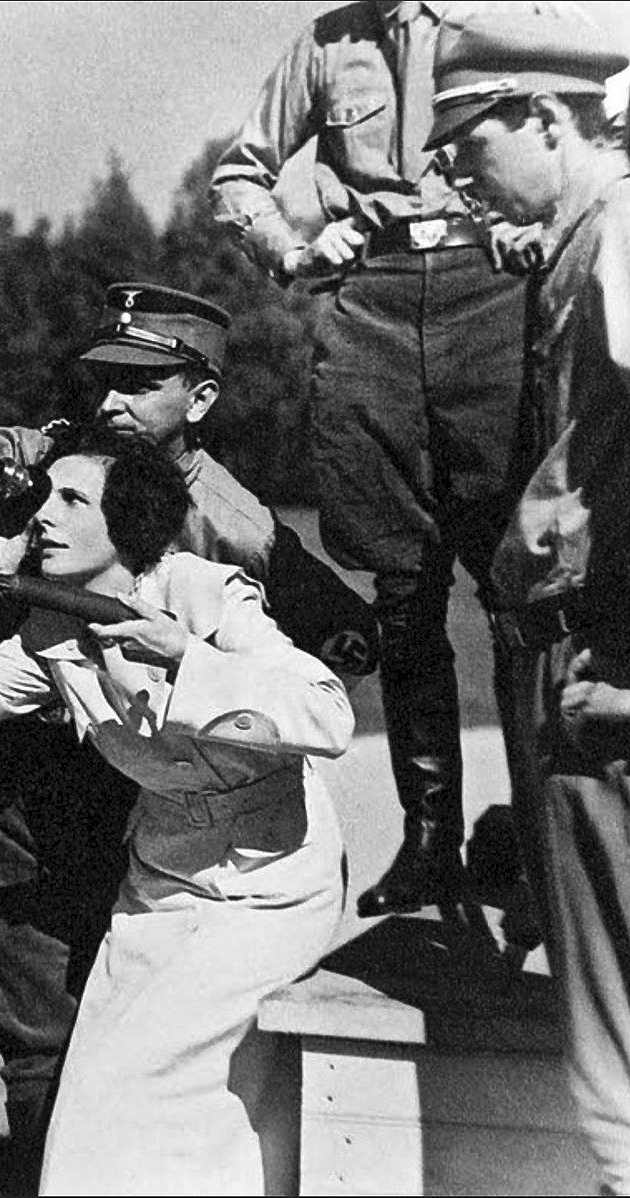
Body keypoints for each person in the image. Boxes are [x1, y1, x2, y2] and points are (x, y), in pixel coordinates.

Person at [0, 283, 375, 1189]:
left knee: (147, 1059)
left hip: (140, 797)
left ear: (201, 397)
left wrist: (199, 673)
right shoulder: (51, 460)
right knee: (35, 1035)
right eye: (101, 380)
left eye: (139, 384)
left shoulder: (235, 528)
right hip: (14, 774)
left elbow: (343, 649)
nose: (109, 402)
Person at [210, 1, 556, 920]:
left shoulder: (502, 21)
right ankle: (430, 842)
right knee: (402, 592)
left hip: (494, 292)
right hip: (370, 302)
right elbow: (239, 173)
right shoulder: (328, 45)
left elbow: (574, 138)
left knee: (517, 586)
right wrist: (290, 250)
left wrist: (546, 226)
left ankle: (540, 839)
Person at [422, 14, 630, 1189]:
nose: (455, 174)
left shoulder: (616, 233)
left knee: (617, 1058)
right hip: (577, 657)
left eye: (468, 142)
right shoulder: (571, 242)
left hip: (608, 663)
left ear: (544, 117)